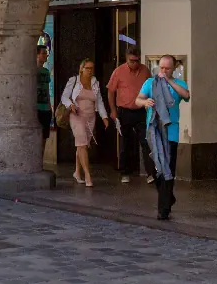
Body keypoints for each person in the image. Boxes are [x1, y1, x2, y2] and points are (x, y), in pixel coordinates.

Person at [136, 55, 190, 220]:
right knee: (154, 169)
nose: (163, 71)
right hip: (153, 131)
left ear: (173, 69)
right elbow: (138, 99)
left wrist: (169, 81)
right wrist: (145, 103)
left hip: (170, 131)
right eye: (161, 68)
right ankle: (169, 197)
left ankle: (163, 209)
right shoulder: (150, 83)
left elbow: (186, 95)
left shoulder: (179, 84)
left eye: (167, 68)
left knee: (168, 169)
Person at [60, 58, 108, 188]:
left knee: (83, 145)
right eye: (88, 68)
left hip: (90, 116)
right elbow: (64, 96)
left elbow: (99, 102)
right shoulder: (74, 81)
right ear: (81, 69)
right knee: (81, 143)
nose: (90, 71)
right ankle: (87, 175)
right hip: (76, 115)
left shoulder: (94, 83)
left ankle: (77, 172)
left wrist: (104, 117)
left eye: (92, 68)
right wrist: (70, 105)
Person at [107, 48, 151, 184]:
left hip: (141, 111)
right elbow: (110, 91)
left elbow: (150, 88)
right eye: (131, 61)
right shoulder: (119, 71)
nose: (134, 63)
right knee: (125, 143)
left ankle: (151, 173)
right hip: (124, 111)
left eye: (137, 60)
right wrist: (113, 110)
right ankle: (125, 172)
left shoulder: (145, 71)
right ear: (126, 59)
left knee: (145, 141)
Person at [35, 44, 53, 161]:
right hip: (35, 107)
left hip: (45, 107)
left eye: (46, 53)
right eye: (43, 53)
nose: (46, 55)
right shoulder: (31, 71)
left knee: (44, 137)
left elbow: (46, 89)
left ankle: (40, 161)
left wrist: (50, 105)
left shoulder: (46, 72)